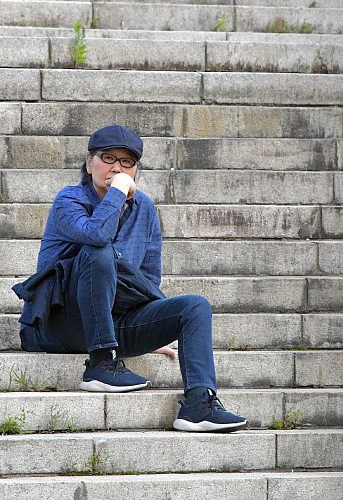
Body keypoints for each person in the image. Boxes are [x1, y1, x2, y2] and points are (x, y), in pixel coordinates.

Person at [13, 124, 248, 432]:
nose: (117, 168)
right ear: (89, 164)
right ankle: (100, 363)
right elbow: (97, 235)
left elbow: (148, 282)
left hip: (114, 322)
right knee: (99, 252)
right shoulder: (69, 200)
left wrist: (154, 331)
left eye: (127, 162)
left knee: (194, 306)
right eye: (108, 158)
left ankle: (199, 404)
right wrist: (118, 191)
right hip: (59, 321)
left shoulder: (144, 208)